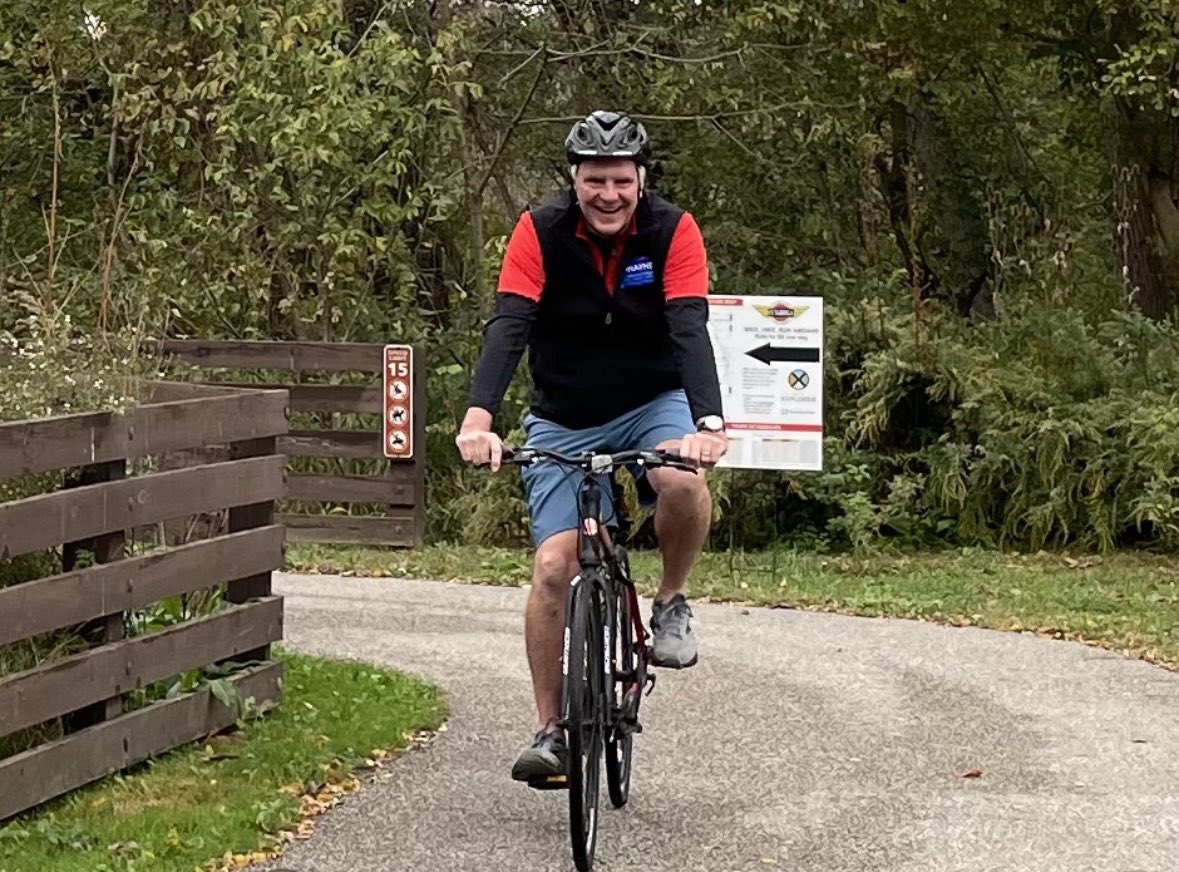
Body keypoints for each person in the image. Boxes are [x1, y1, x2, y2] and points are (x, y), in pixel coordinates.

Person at [455, 110, 728, 784]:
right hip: (564, 417)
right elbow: (508, 325)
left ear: (641, 180)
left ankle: (669, 601)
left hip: (652, 403)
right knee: (553, 568)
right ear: (573, 181)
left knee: (683, 483)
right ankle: (549, 731)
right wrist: (477, 419)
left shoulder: (672, 230)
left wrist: (709, 423)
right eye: (593, 180)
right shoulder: (539, 232)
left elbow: (688, 326)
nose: (608, 194)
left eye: (620, 180)